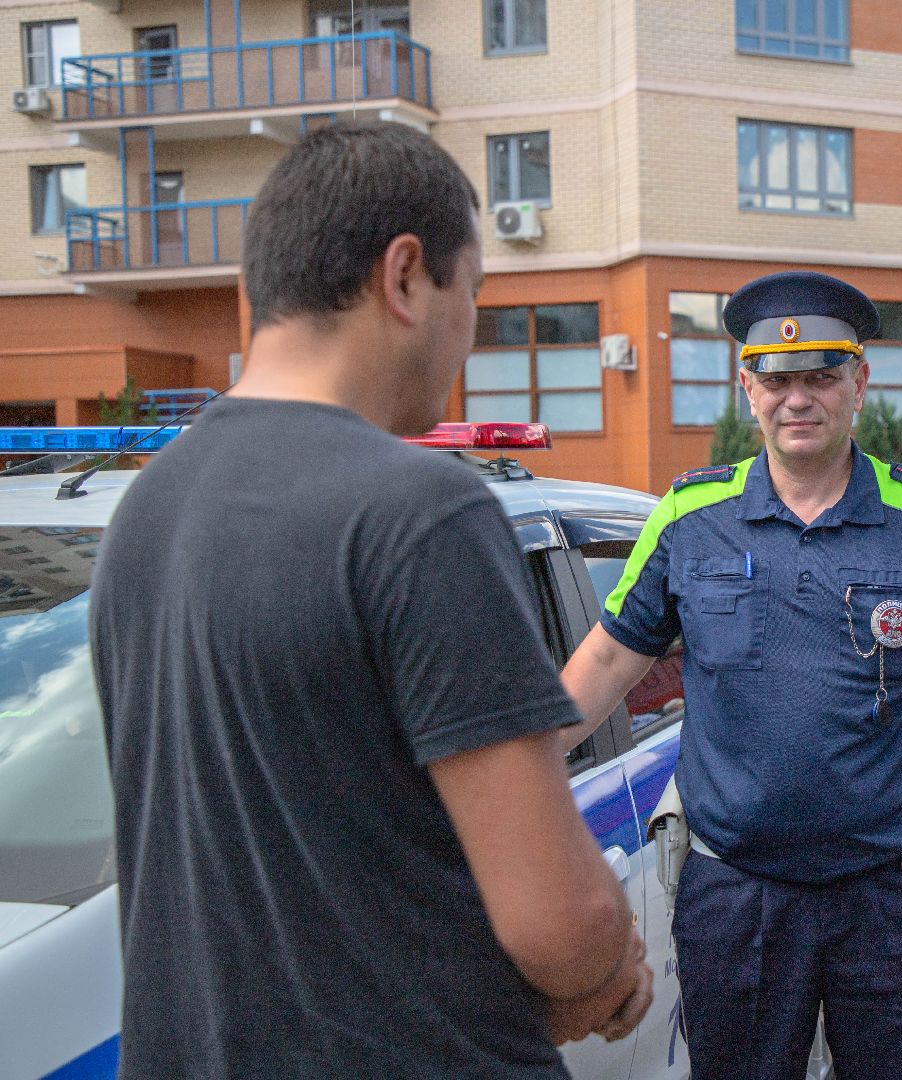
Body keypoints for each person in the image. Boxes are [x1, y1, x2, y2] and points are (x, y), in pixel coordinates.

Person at [89, 122, 650, 1078]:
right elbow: (563, 922)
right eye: (471, 292)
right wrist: (610, 970)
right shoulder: (419, 511)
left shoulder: (146, 509)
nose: (468, 332)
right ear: (404, 276)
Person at [560, 270, 902, 1080]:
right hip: (735, 896)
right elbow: (609, 657)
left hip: (893, 893)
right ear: (747, 387)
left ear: (860, 381)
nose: (799, 398)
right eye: (777, 379)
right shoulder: (688, 517)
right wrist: (508, 766)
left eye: (821, 376)